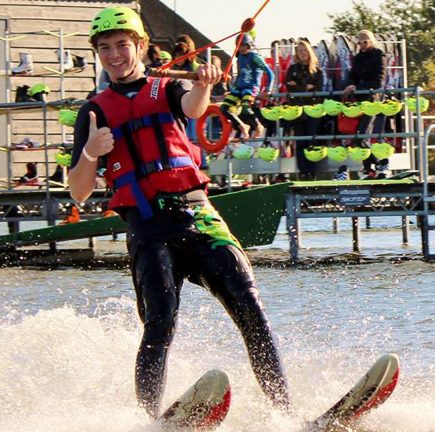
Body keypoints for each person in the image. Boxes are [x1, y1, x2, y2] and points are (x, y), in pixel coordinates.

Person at [68, 6, 290, 418]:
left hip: (199, 216)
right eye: (104, 48)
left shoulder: (164, 89)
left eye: (121, 45)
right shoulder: (93, 112)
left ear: (139, 46)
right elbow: (78, 192)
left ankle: (288, 414)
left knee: (251, 309)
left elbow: (191, 107)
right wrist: (89, 152)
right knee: (159, 324)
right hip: (148, 227)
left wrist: (204, 86)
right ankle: (150, 421)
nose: (114, 54)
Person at [342, 30, 388, 178]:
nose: (362, 45)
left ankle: (378, 162)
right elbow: (352, 76)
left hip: (373, 100)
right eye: (359, 42)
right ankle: (370, 167)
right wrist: (350, 85)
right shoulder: (358, 58)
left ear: (372, 41)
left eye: (365, 42)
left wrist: (358, 87)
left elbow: (378, 81)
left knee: (360, 135)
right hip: (360, 99)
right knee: (358, 136)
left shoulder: (378, 55)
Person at [220, 32, 275, 139]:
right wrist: (232, 89)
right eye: (239, 45)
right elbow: (240, 75)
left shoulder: (255, 57)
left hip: (251, 88)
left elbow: (270, 72)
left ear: (248, 45)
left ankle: (258, 125)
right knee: (224, 108)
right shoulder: (239, 58)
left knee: (246, 107)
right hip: (239, 88)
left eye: (243, 45)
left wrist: (269, 89)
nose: (241, 48)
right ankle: (243, 125)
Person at [285, 39, 324, 179]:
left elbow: (318, 88)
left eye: (305, 50)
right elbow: (289, 86)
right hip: (297, 109)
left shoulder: (317, 71)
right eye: (300, 51)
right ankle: (302, 172)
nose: (302, 53)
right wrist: (305, 88)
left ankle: (311, 173)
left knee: (311, 142)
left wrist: (298, 87)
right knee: (300, 142)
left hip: (313, 109)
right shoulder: (292, 69)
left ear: (310, 52)